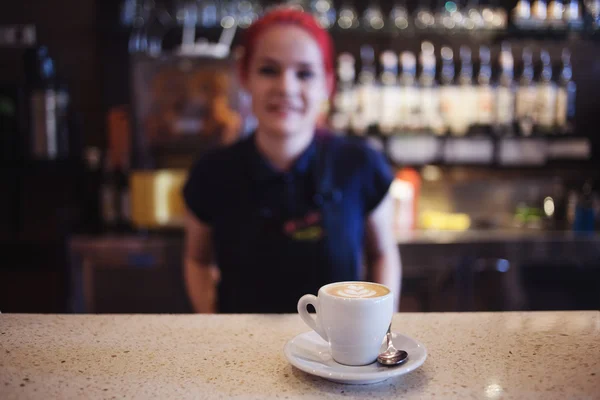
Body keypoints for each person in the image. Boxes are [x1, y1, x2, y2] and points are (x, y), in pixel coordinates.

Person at [183, 8, 401, 314]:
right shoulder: (213, 171)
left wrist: (379, 327)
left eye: (305, 73)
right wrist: (211, 325)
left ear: (327, 84)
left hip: (338, 356)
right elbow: (197, 259)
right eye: (269, 70)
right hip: (239, 353)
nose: (285, 87)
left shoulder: (360, 164)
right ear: (244, 77)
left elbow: (382, 254)